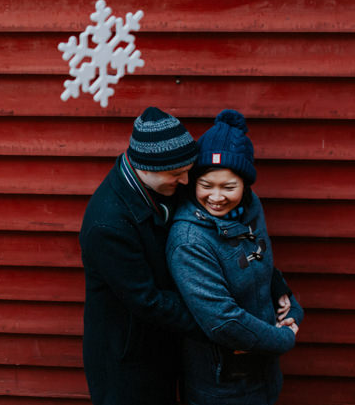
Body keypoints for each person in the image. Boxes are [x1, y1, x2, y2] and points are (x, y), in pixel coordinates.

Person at [166, 109, 304, 405]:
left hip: (263, 371)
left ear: (246, 185)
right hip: (222, 383)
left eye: (229, 187)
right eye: (206, 185)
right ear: (192, 183)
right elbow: (222, 320)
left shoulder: (251, 208)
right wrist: (282, 339)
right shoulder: (189, 241)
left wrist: (285, 297)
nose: (216, 197)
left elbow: (260, 260)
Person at [80, 106, 200, 405]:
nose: (186, 181)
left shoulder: (164, 183)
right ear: (144, 168)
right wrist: (217, 321)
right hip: (126, 359)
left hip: (161, 343)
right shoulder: (108, 223)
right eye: (176, 174)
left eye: (188, 170)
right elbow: (147, 300)